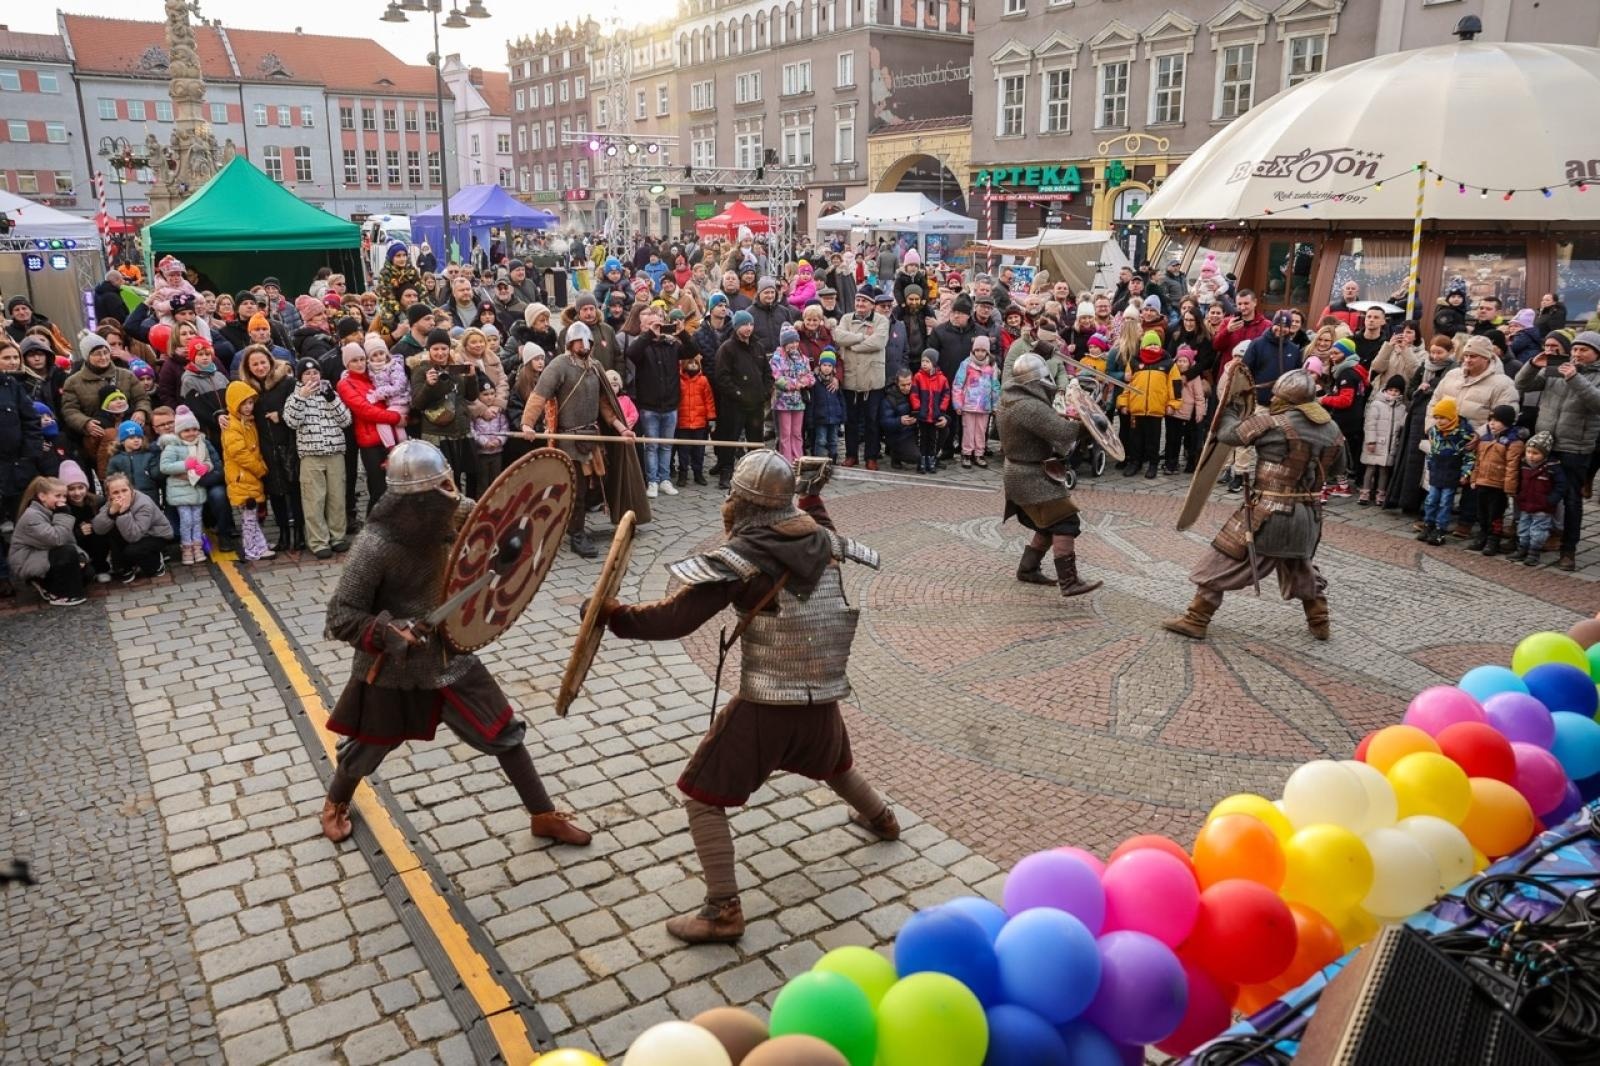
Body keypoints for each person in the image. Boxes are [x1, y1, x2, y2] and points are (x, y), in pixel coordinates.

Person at [595, 451, 894, 942]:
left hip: (767, 702)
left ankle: (722, 912)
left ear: (744, 504)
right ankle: (882, 819)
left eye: (734, 495)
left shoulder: (743, 560)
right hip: (820, 693)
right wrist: (812, 492)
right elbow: (815, 522)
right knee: (832, 763)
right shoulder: (820, 541)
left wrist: (613, 615)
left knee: (701, 795)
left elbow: (676, 619)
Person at [318, 439, 591, 848]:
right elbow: (341, 616)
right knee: (370, 745)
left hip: (451, 654)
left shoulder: (451, 511)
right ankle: (335, 801)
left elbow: (500, 520)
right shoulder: (376, 545)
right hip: (397, 669)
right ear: (417, 499)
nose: (452, 491)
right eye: (442, 486)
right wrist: (394, 632)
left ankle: (543, 814)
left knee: (505, 731)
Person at [1163, 370, 1344, 640]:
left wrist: (1233, 406)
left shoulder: (1272, 423)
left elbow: (1227, 434)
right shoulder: (1333, 430)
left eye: (1277, 395)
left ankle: (1196, 619)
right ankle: (1320, 621)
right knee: (1299, 565)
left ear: (1287, 398)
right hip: (1308, 516)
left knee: (1222, 559)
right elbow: (1338, 469)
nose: (1272, 397)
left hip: (1268, 514)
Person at [521, 321, 647, 559]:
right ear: (570, 343)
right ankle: (577, 534)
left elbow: (605, 404)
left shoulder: (595, 366)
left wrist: (621, 429)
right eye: (578, 340)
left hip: (592, 436)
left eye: (587, 340)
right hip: (568, 439)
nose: (584, 344)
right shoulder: (559, 365)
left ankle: (574, 525)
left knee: (597, 486)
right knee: (576, 489)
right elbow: (540, 395)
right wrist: (527, 424)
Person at [998, 354, 1101, 596]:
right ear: (1035, 381)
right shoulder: (1028, 406)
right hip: (1030, 476)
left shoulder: (1010, 397)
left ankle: (1028, 568)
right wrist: (1090, 425)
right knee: (1065, 521)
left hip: (1021, 471)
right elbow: (1063, 433)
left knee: (1047, 522)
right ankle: (1069, 582)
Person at [1514, 330, 1600, 569]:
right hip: (1546, 442)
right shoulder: (1557, 368)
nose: (1577, 354)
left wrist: (1575, 378)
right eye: (1575, 349)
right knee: (1536, 492)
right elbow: (1522, 384)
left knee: (1572, 500)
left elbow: (1597, 404)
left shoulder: (1594, 375)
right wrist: (1533, 364)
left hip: (1576, 446)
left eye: (1584, 350)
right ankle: (1528, 542)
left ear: (1596, 354)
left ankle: (1568, 550)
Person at [284, 358, 353, 560]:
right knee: (314, 500)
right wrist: (301, 398)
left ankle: (338, 537)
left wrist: (332, 400)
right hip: (311, 455)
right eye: (307, 374)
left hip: (335, 452)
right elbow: (291, 421)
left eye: (315, 372)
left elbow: (346, 420)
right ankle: (318, 541)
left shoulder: (331, 393)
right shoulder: (295, 396)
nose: (312, 377)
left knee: (337, 498)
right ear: (300, 377)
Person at [627, 305, 698, 498]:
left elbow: (692, 350)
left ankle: (665, 479)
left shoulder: (671, 344)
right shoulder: (642, 345)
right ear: (643, 326)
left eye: (657, 323)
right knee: (652, 445)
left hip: (670, 404)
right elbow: (631, 353)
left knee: (666, 444)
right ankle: (652, 481)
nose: (656, 327)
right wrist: (650, 334)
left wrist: (682, 332)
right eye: (649, 324)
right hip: (649, 405)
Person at [712, 310, 773, 490]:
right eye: (744, 325)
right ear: (737, 326)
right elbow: (722, 378)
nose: (748, 328)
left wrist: (765, 391)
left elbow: (767, 373)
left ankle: (755, 474)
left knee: (755, 441)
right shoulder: (727, 348)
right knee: (730, 440)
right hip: (734, 405)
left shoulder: (758, 347)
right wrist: (738, 394)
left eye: (750, 324)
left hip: (756, 404)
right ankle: (726, 472)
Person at [8, 475, 87, 606]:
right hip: (27, 559)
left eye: (64, 496)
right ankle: (57, 594)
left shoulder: (53, 511)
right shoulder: (32, 516)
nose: (62, 500)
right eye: (57, 496)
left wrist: (80, 556)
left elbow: (69, 539)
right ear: (42, 496)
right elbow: (57, 539)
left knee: (87, 573)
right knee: (65, 552)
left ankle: (49, 585)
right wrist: (64, 515)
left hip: (44, 554)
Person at [159, 405, 221, 566]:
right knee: (186, 520)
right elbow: (165, 466)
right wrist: (185, 464)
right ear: (179, 431)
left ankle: (197, 546)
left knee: (197, 519)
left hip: (197, 489)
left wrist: (206, 467)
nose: (191, 433)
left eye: (194, 429)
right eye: (187, 430)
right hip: (180, 491)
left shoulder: (201, 443)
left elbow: (208, 461)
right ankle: (186, 547)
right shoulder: (172, 446)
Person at [221, 382, 274, 563]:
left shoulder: (246, 422)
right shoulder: (233, 425)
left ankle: (260, 545)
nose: (248, 407)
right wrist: (259, 468)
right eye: (243, 403)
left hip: (248, 477)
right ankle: (252, 549)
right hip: (243, 477)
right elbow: (239, 453)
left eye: (250, 403)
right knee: (249, 517)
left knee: (251, 515)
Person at [1119, 330, 1178, 480]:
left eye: (1155, 344)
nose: (1152, 347)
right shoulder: (1134, 362)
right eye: (1149, 344)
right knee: (1135, 439)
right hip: (1136, 409)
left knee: (1154, 439)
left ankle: (1153, 464)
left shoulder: (1168, 364)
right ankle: (1134, 462)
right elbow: (1127, 385)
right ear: (1143, 346)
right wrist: (1123, 403)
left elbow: (1176, 387)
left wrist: (1173, 404)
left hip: (1156, 409)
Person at [94, 471, 173, 582]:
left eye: (124, 490)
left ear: (131, 489)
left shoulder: (144, 503)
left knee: (133, 551)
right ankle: (125, 567)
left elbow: (134, 536)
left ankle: (156, 564)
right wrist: (111, 513)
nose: (121, 495)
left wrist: (123, 512)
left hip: (155, 535)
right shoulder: (110, 503)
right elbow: (98, 529)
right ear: (109, 495)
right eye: (115, 492)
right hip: (132, 534)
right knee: (109, 531)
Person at [1418, 396, 1475, 547]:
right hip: (1437, 471)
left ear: (1451, 416)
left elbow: (1469, 456)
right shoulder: (1434, 432)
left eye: (1442, 417)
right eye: (1436, 417)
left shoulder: (1462, 433)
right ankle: (1428, 524)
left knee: (1445, 502)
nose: (1439, 421)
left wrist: (1465, 473)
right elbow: (1432, 451)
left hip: (1451, 472)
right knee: (1431, 500)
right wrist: (1430, 465)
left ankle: (1440, 529)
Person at [1469, 404, 1524, 556]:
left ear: (1507, 422)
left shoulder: (1513, 442)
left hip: (1498, 485)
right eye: (1491, 420)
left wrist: (1509, 488)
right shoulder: (1485, 438)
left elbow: (1512, 468)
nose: (1492, 423)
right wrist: (1474, 477)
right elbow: (1478, 460)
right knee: (1481, 513)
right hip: (1482, 482)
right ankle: (1483, 535)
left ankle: (1494, 539)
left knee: (1495, 514)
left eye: (1496, 420)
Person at [1511, 433, 1564, 566]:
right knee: (1523, 528)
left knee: (1538, 530)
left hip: (1542, 507)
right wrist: (1518, 495)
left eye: (1535, 453)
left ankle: (1534, 552)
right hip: (1525, 504)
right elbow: (1518, 481)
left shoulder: (1552, 467)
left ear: (1545, 454)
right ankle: (1522, 548)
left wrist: (1550, 500)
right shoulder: (1523, 465)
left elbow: (1561, 485)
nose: (1531, 456)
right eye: (1528, 452)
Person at [952, 336, 1000, 469]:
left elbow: (995, 386)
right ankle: (966, 453)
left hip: (984, 406)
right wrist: (958, 403)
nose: (980, 353)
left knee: (981, 430)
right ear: (973, 350)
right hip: (969, 404)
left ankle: (979, 453)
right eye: (977, 350)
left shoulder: (991, 366)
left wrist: (995, 404)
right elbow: (958, 384)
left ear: (987, 352)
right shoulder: (966, 364)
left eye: (983, 350)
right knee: (968, 430)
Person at [1359, 376, 1407, 507]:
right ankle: (1365, 492)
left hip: (1389, 445)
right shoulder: (1376, 404)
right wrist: (1370, 441)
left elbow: (1401, 425)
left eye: (1396, 391)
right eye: (1391, 390)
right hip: (1375, 443)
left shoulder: (1401, 408)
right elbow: (1370, 423)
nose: (1393, 393)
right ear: (1386, 389)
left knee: (1384, 471)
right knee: (1370, 469)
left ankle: (1381, 493)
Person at [770, 326, 815, 463]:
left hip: (798, 401)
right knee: (785, 434)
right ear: (784, 343)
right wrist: (795, 384)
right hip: (782, 402)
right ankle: (787, 461)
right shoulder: (776, 358)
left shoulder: (802, 358)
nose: (794, 345)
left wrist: (804, 382)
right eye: (791, 342)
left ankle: (798, 460)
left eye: (796, 341)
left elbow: (810, 376)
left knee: (797, 433)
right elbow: (777, 377)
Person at [675, 353, 715, 487]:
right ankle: (683, 473)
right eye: (690, 363)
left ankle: (698, 473)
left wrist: (711, 418)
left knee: (699, 450)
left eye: (695, 363)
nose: (693, 365)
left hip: (699, 422)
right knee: (683, 450)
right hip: (683, 422)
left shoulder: (703, 380)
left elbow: (709, 401)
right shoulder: (679, 380)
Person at [909, 350, 950, 475]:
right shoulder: (918, 377)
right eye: (923, 361)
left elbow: (946, 395)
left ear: (934, 362)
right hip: (922, 416)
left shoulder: (942, 379)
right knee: (922, 439)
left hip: (934, 416)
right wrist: (917, 408)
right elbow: (914, 394)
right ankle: (921, 461)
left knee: (933, 440)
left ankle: (931, 460)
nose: (924, 364)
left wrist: (941, 410)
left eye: (927, 361)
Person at [809, 350, 846, 461]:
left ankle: (833, 458)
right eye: (824, 365)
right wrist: (810, 418)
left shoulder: (835, 383)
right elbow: (812, 402)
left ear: (833, 367)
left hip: (834, 418)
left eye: (829, 365)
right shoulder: (815, 382)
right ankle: (819, 460)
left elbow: (841, 400)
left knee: (833, 440)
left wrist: (843, 415)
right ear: (820, 365)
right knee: (821, 440)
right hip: (820, 417)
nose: (826, 368)